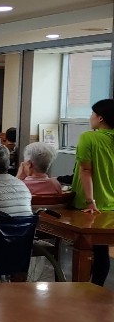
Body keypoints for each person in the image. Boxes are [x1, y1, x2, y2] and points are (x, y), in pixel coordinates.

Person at [70, 98, 114, 286]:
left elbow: (86, 170)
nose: (91, 117)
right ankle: (97, 288)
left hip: (90, 204)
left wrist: (90, 201)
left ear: (100, 118)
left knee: (84, 249)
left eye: (93, 113)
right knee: (101, 249)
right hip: (111, 204)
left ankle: (83, 290)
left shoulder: (89, 137)